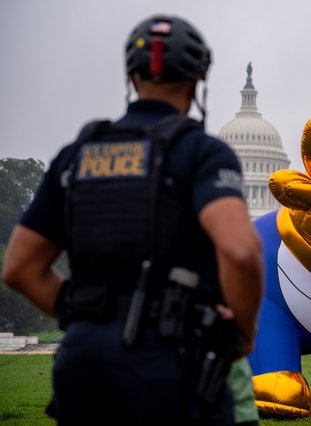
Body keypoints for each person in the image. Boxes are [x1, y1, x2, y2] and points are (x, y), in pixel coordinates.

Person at [2, 14, 263, 425]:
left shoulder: (77, 154)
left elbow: (19, 267)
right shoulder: (200, 153)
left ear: (131, 76)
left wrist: (86, 311)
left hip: (83, 362)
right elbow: (242, 251)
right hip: (172, 359)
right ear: (198, 78)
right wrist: (243, 333)